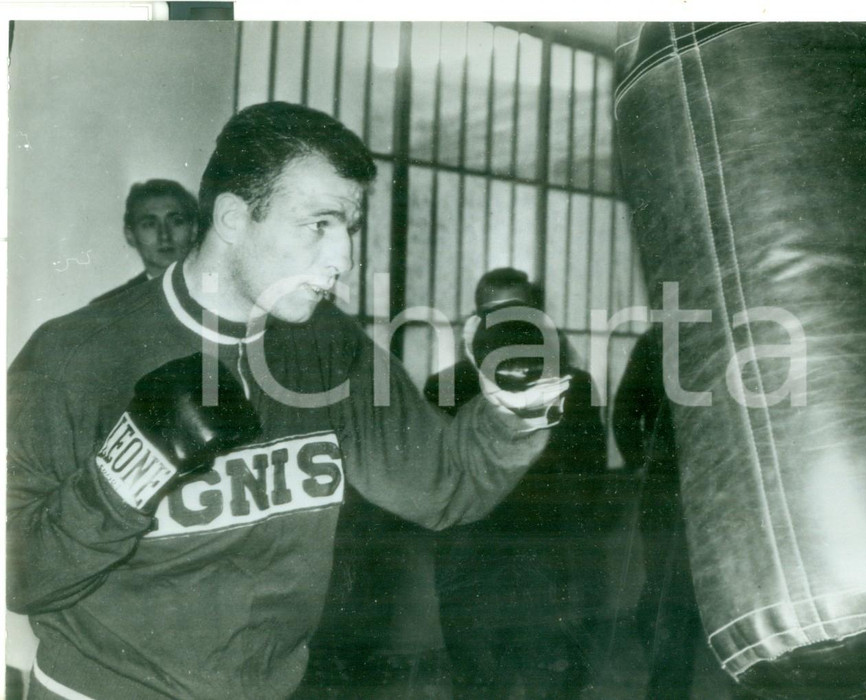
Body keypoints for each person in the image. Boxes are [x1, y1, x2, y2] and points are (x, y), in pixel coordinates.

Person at [7, 102, 569, 700]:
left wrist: (512, 412)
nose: (344, 258)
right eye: (318, 224)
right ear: (232, 217)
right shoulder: (75, 356)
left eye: (349, 228)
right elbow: (19, 577)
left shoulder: (328, 345)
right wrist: (126, 475)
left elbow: (444, 486)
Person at [424, 268, 608, 699]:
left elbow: (592, 475)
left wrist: (571, 545)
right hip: (469, 558)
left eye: (519, 313)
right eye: (493, 314)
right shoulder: (445, 387)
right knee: (476, 679)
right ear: (475, 321)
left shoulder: (573, 386)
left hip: (547, 557)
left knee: (553, 677)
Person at [612, 327, 702, 699]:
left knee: (671, 595)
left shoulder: (737, 334)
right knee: (669, 596)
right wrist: (642, 463)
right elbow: (624, 414)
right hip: (673, 487)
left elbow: (623, 414)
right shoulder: (657, 341)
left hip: (704, 487)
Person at [91, 179, 198, 303]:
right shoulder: (108, 306)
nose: (164, 235)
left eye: (176, 222)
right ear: (130, 235)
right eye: (150, 224)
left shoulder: (214, 291)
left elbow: (212, 323)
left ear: (194, 230)